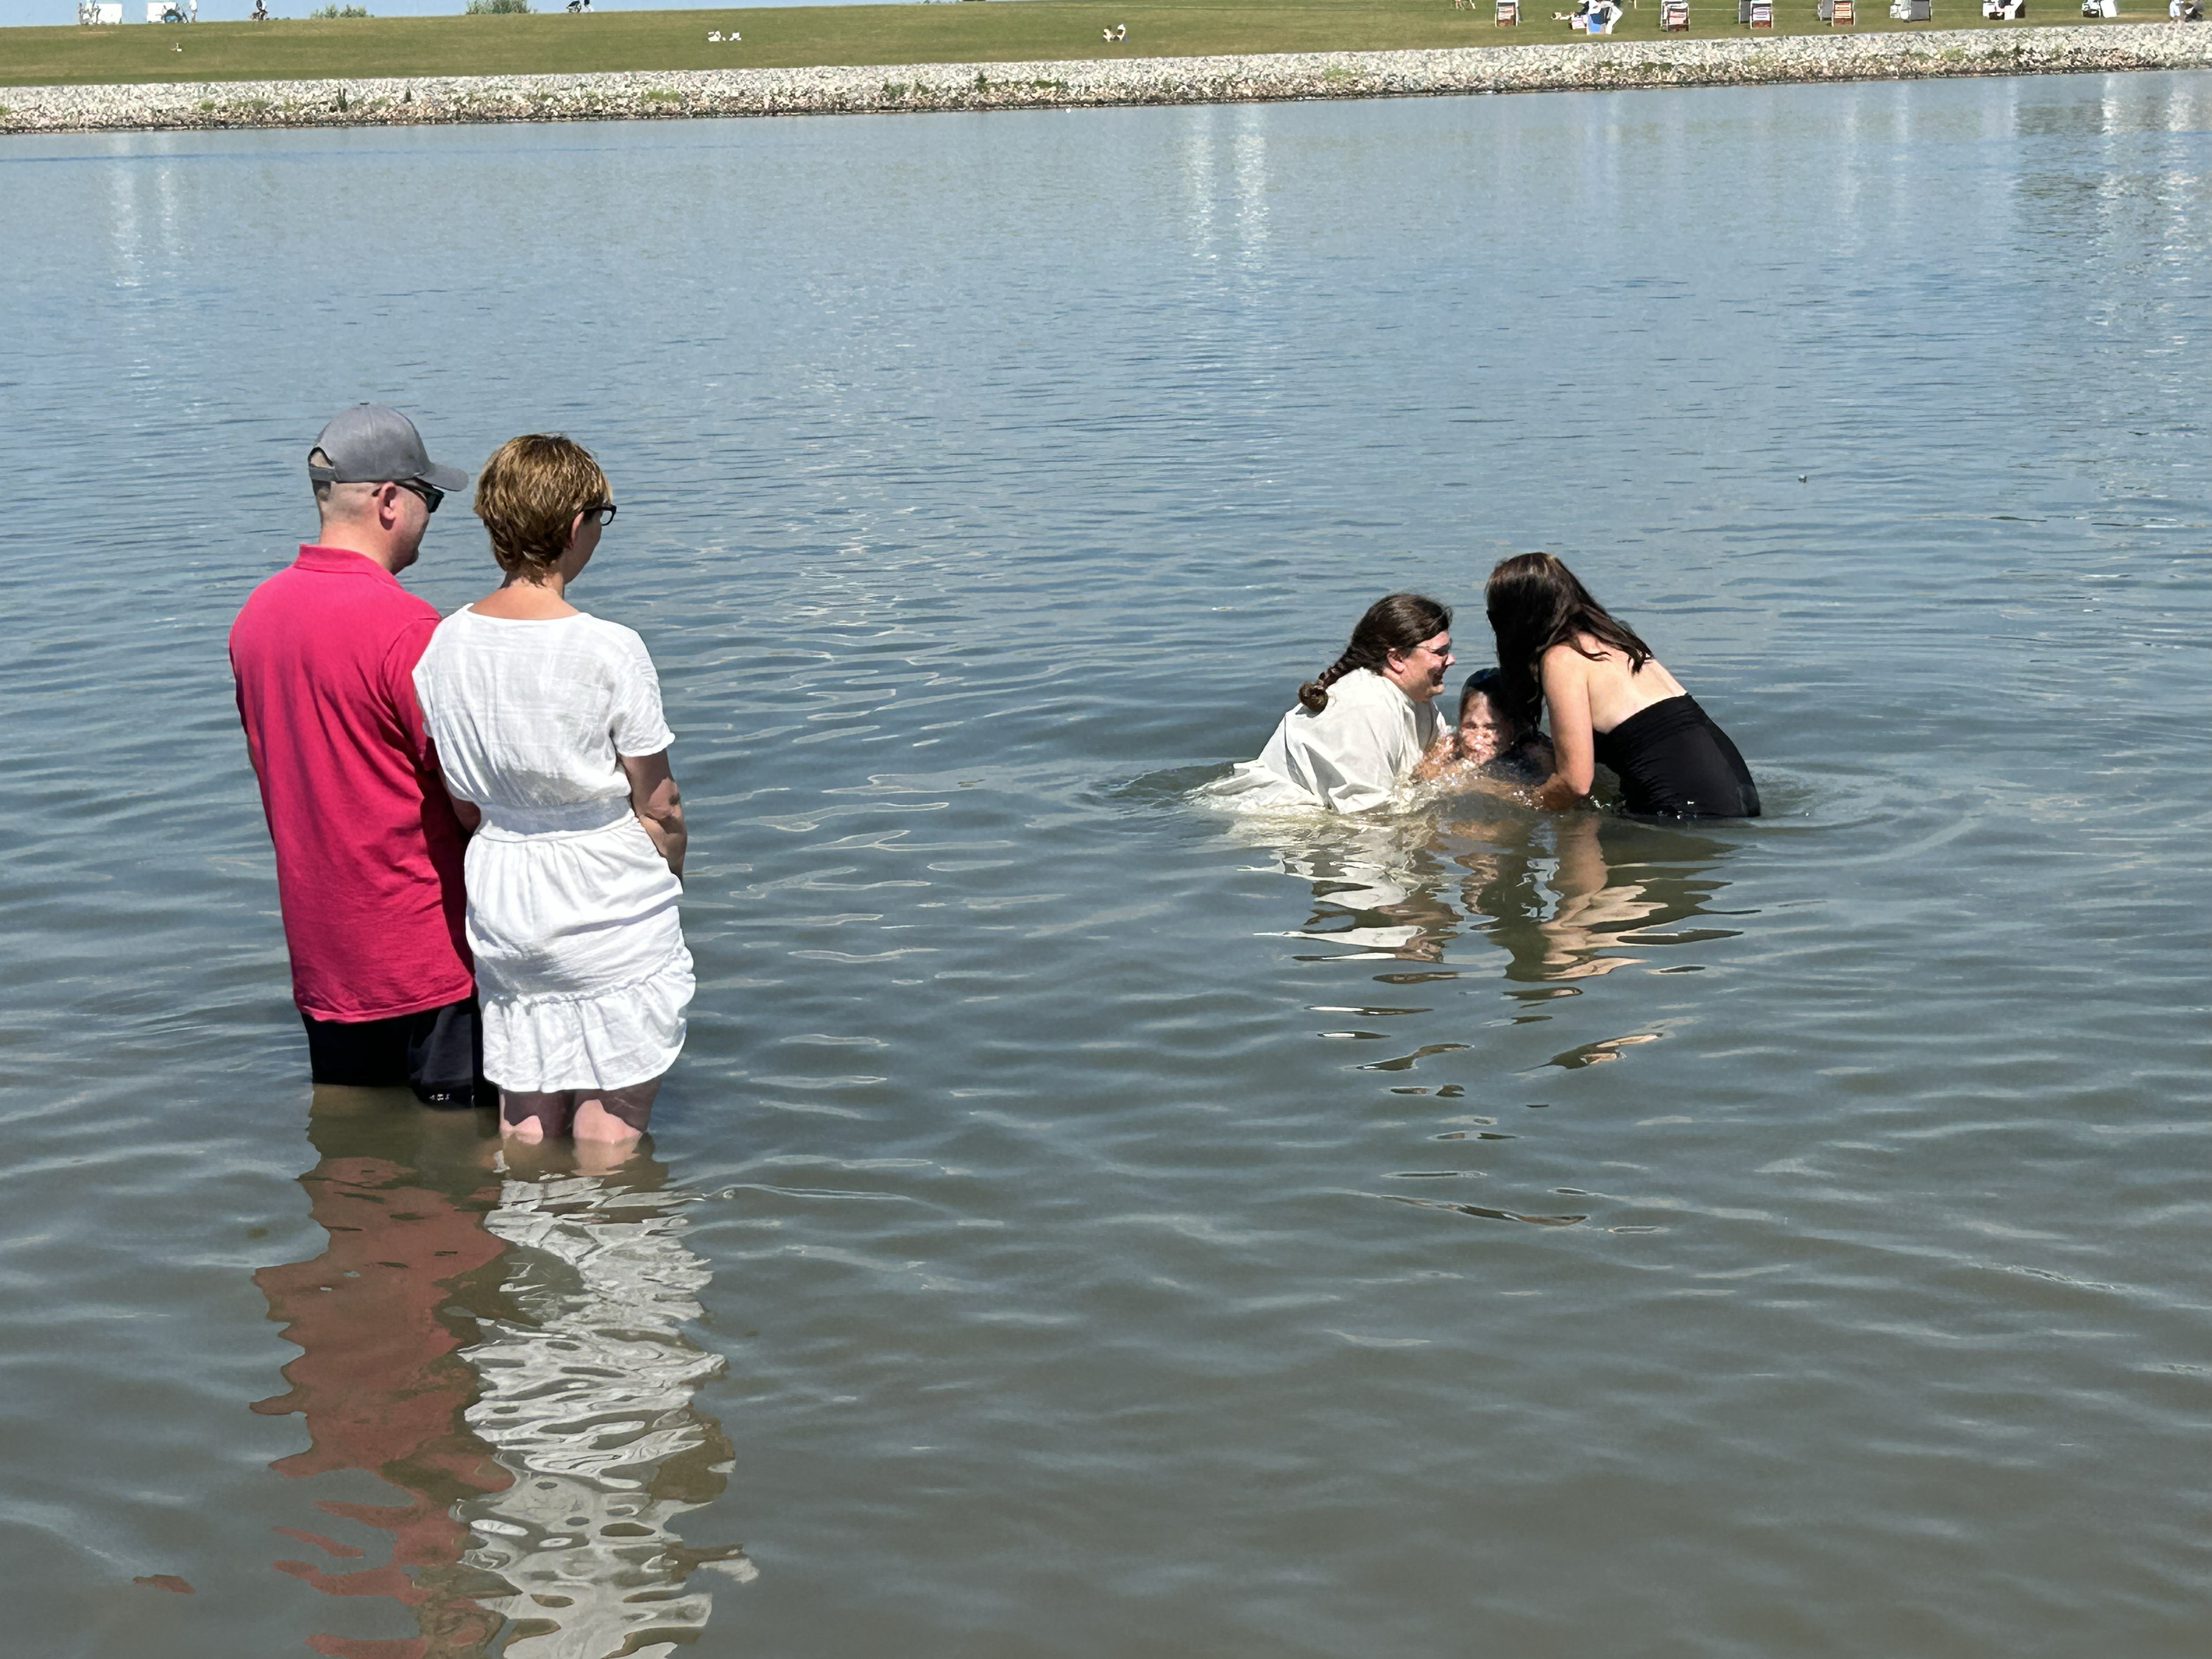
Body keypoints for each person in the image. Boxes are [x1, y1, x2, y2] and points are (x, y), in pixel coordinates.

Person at [412, 435, 691, 1149]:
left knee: (526, 1102)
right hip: (602, 882)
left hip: (504, 883)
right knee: (613, 1111)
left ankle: (531, 1245)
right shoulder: (609, 648)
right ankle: (616, 1250)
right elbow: (658, 801)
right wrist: (668, 872)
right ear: (574, 526)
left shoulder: (443, 646)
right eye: (602, 515)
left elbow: (464, 802)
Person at [229, 404, 480, 1103]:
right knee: (459, 1177)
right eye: (430, 498)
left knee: (353, 1170)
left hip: (324, 962)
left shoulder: (256, 617)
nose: (434, 515)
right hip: (426, 957)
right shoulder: (408, 627)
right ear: (390, 501)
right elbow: (467, 799)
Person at [1485, 552, 1759, 819]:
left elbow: (1574, 784)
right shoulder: (1616, 642)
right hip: (1740, 793)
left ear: (1515, 620)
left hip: (1692, 807)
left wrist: (1511, 803)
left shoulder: (1563, 658)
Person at [1211, 593, 1455, 812]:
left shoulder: (1417, 698)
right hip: (1267, 822)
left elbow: (1441, 766)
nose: (1451, 660)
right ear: (1397, 658)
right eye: (1440, 652)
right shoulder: (1367, 707)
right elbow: (1367, 817)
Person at [1415, 667, 1555, 789]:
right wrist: (1461, 767)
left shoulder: (1535, 751)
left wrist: (1479, 785)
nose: (1478, 737)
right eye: (1470, 726)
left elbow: (1551, 793)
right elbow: (1421, 780)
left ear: (1513, 727)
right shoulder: (1451, 744)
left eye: (1491, 728)